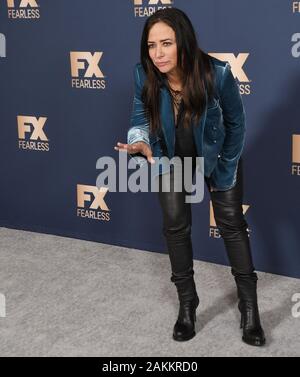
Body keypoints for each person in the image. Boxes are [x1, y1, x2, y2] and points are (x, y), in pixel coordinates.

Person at [114, 7, 265, 346]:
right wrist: (140, 142)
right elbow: (140, 118)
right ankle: (187, 303)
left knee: (231, 225)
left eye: (166, 43)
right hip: (170, 157)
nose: (158, 54)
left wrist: (225, 168)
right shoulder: (144, 74)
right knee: (174, 225)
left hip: (217, 155)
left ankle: (249, 307)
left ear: (183, 41)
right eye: (151, 45)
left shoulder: (217, 73)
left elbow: (236, 124)